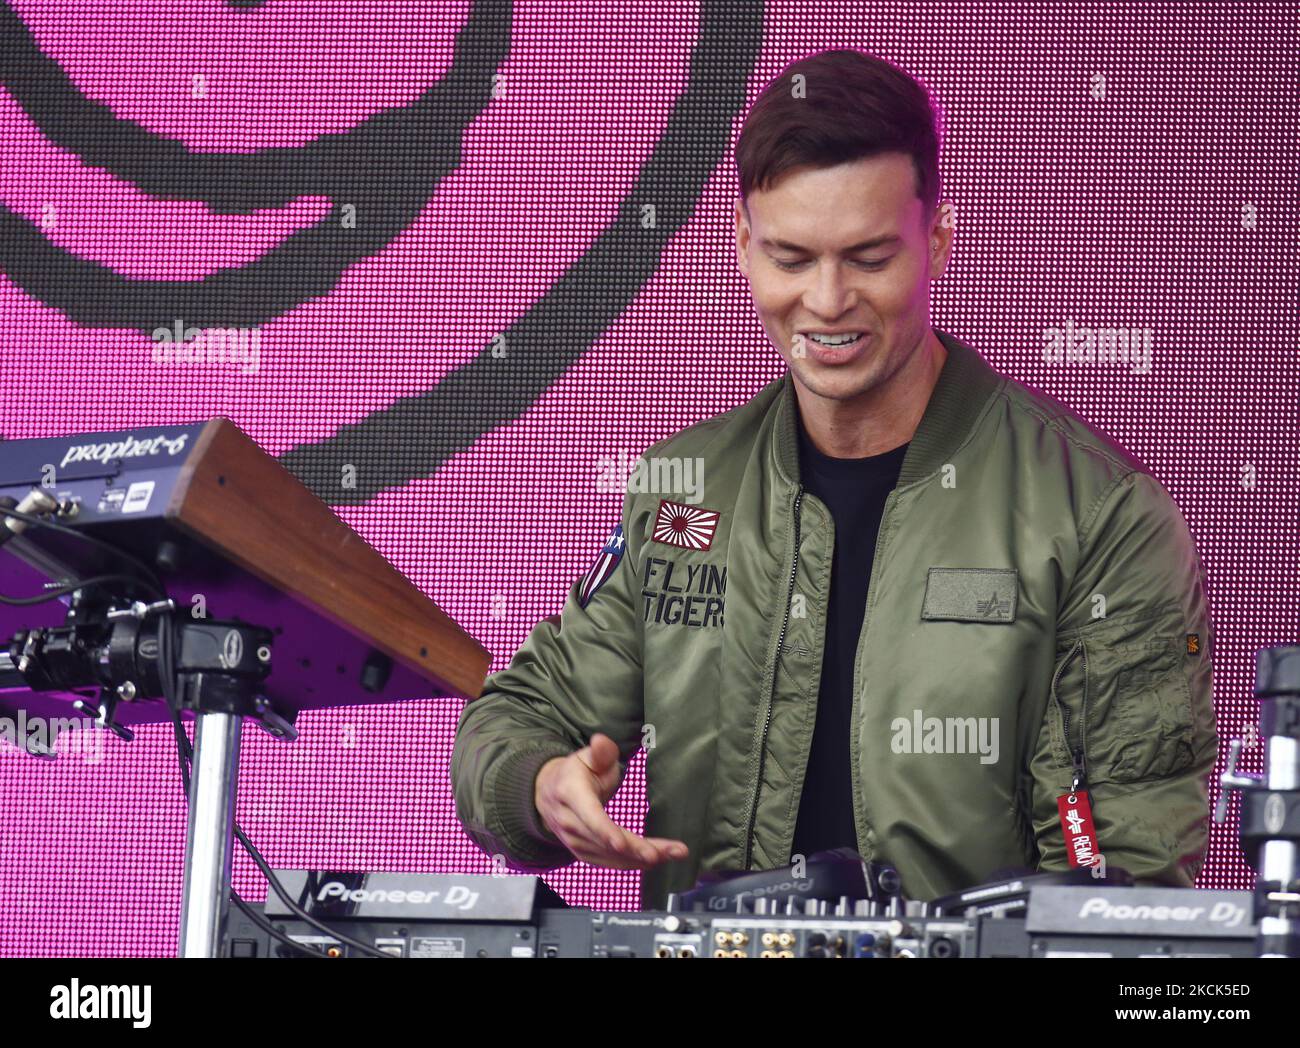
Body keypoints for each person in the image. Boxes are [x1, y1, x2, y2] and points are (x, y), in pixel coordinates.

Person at [451, 48, 1218, 910]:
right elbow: (511, 719)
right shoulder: (683, 495)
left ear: (937, 238)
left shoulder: (1100, 516)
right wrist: (543, 784)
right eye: (790, 257)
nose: (825, 300)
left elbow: (1127, 862)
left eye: (868, 257)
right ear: (742, 244)